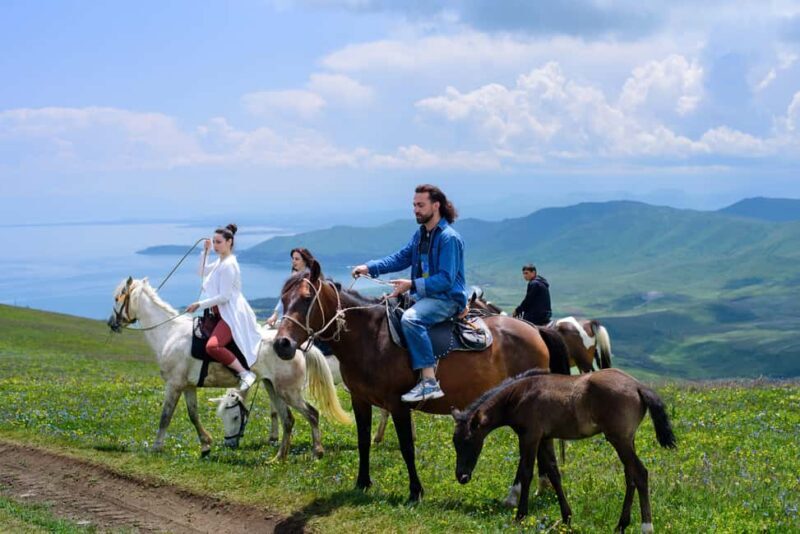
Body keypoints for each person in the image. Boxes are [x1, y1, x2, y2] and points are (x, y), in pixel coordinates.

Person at [351, 184, 467, 402]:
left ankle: (429, 381)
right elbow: (400, 258)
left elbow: (445, 280)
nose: (416, 209)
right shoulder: (422, 235)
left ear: (436, 205)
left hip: (447, 298)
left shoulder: (448, 238)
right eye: (414, 205)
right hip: (426, 296)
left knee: (411, 319)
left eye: (420, 205)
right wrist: (369, 267)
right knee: (385, 311)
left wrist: (411, 285)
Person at [186, 224, 260, 391]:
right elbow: (201, 272)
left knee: (212, 346)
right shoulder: (221, 261)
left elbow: (225, 297)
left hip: (231, 314)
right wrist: (205, 251)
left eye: (218, 242)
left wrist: (199, 304)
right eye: (214, 242)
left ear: (229, 242)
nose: (215, 245)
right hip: (220, 312)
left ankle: (245, 374)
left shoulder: (229, 265)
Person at [265, 248, 316, 327]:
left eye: (297, 259)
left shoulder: (309, 279)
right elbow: (285, 296)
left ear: (305, 261)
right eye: (293, 258)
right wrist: (275, 314)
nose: (293, 261)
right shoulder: (295, 275)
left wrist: (275, 316)